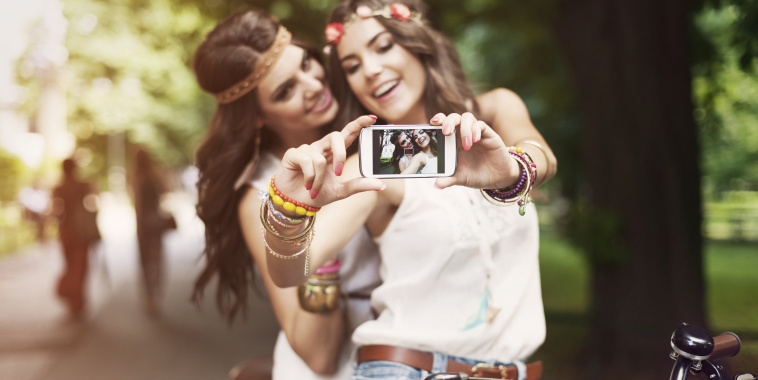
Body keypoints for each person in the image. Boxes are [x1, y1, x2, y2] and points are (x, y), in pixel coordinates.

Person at [190, 8, 528, 380]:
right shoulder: (265, 198)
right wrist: (303, 221)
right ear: (256, 116)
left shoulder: (375, 137)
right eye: (286, 90)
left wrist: (515, 171)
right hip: (339, 363)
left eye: (308, 64)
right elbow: (316, 352)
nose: (314, 85)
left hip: (421, 345)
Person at [128, 147, 176, 316]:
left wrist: (139, 227)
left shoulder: (136, 178)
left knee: (145, 262)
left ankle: (150, 296)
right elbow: (166, 191)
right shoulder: (153, 176)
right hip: (155, 223)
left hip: (144, 225)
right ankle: (154, 294)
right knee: (156, 260)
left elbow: (138, 205)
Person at [51, 158, 100, 320]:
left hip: (66, 232)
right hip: (80, 232)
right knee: (80, 267)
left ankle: (74, 302)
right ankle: (78, 301)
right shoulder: (82, 185)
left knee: (71, 266)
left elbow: (55, 212)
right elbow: (94, 202)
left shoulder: (58, 188)